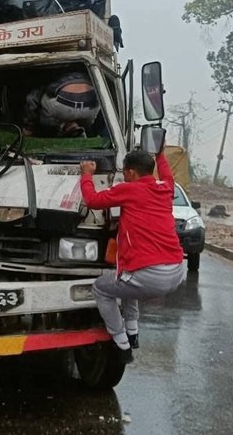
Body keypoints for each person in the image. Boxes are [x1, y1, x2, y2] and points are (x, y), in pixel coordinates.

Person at [79, 150, 186, 364]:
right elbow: (168, 176)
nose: (124, 177)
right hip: (177, 271)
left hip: (151, 276)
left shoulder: (129, 189)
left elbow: (92, 200)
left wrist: (86, 174)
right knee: (126, 278)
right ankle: (133, 331)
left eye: (125, 173)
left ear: (131, 172)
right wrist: (161, 154)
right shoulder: (165, 188)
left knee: (101, 288)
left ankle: (121, 343)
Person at [23, 72, 101, 137]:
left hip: (62, 109)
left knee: (42, 98)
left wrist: (29, 127)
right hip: (89, 111)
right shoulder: (90, 76)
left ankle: (61, 126)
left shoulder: (52, 81)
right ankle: (72, 126)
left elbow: (31, 98)